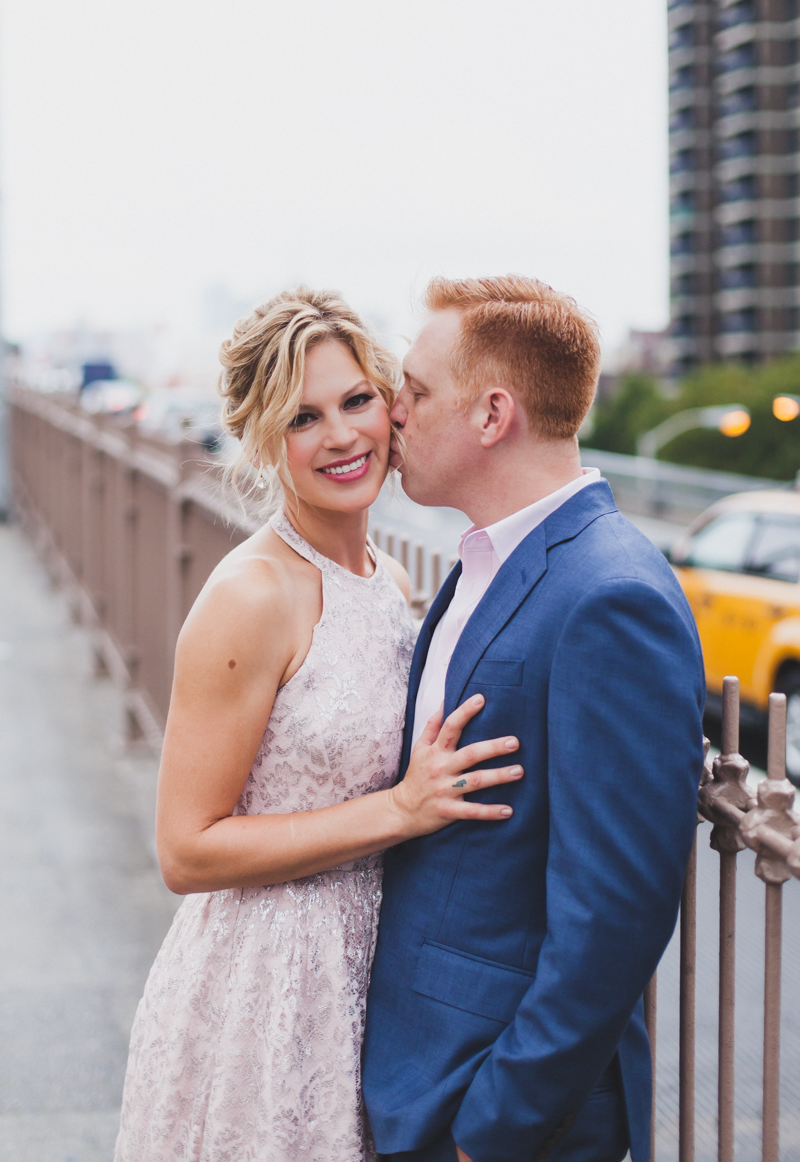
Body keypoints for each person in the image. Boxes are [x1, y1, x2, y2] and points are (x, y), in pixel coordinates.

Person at [113, 287, 523, 1162]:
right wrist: (401, 812)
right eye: (303, 418)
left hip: (370, 974)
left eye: (356, 401)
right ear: (265, 441)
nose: (341, 436)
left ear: (390, 405)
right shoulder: (250, 596)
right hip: (267, 988)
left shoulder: (391, 581)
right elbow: (187, 851)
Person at [363, 276, 706, 1162]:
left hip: (496, 1106)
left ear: (492, 415)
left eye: (418, 391)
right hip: (419, 1075)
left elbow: (616, 911)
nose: (393, 412)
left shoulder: (612, 595)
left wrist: (494, 1129)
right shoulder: (483, 562)